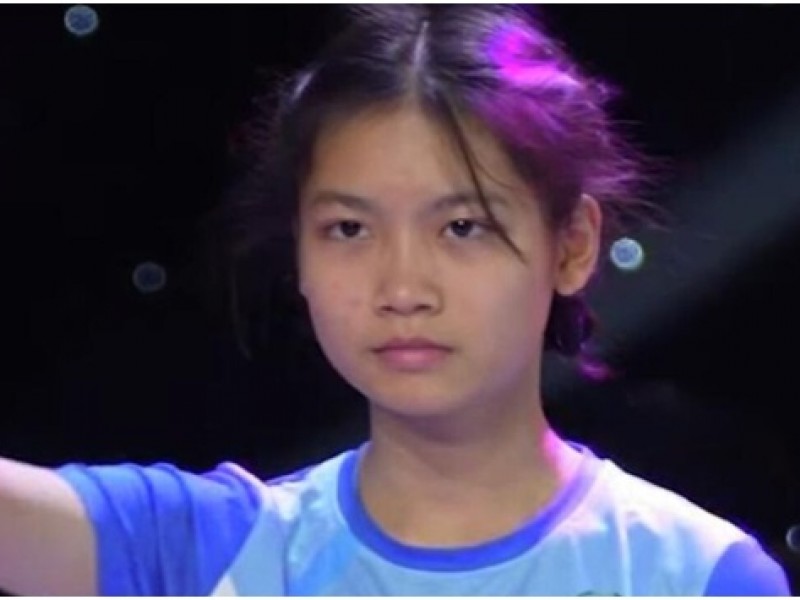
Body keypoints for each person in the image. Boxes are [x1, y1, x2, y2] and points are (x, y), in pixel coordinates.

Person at [0, 5, 791, 596]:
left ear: (573, 245)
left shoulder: (692, 576)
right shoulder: (214, 555)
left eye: (461, 227)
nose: (403, 289)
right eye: (349, 229)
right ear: (300, 251)